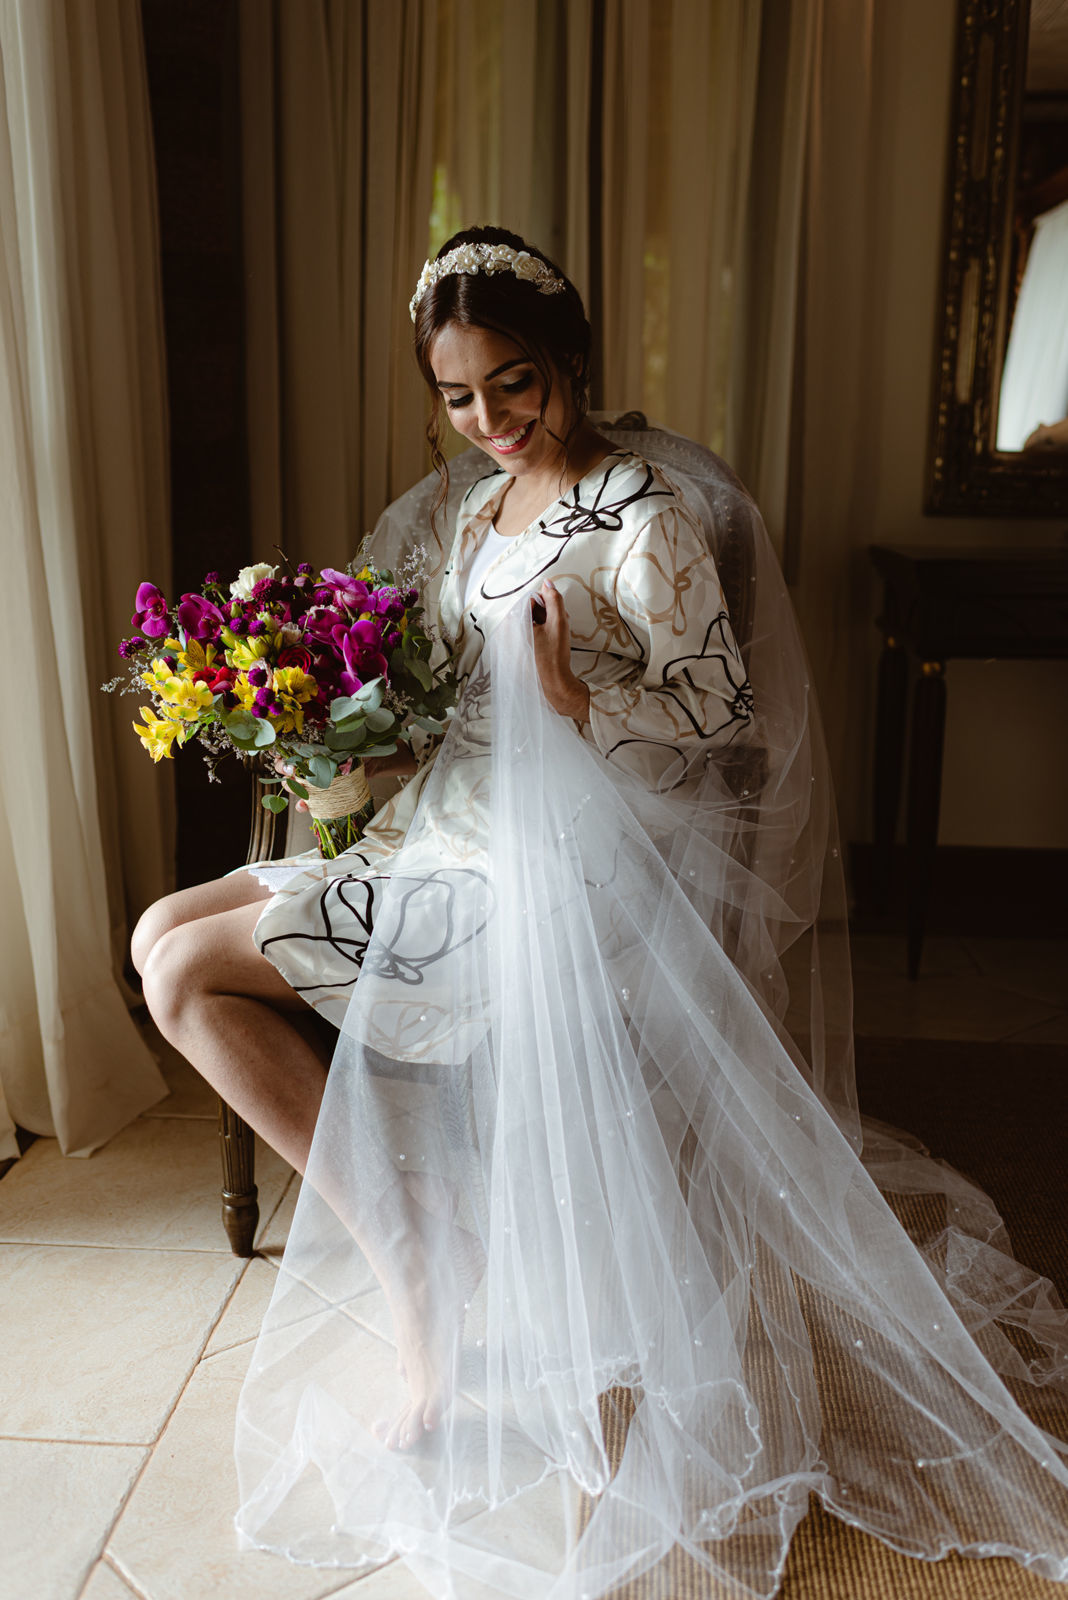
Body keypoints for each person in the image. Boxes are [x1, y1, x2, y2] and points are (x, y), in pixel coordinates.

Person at [134, 228, 1068, 1598]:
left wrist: (582, 706)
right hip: (438, 829)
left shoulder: (643, 511)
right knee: (161, 935)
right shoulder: (469, 509)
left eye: (514, 383)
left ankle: (419, 1280)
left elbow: (717, 706)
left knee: (188, 976)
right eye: (458, 395)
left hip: (543, 878)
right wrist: (319, 729)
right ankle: (431, 1239)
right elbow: (452, 699)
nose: (491, 420)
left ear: (568, 359)